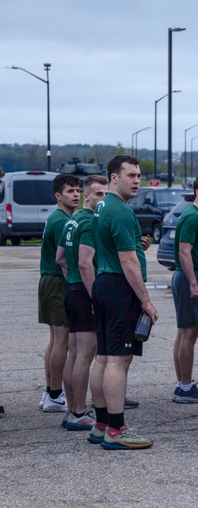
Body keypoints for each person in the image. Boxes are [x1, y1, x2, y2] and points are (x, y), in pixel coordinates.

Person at [91, 155, 157, 449]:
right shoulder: (119, 211)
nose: (136, 180)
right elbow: (128, 262)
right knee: (119, 359)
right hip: (119, 286)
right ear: (113, 178)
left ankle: (102, 423)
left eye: (138, 175)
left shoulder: (102, 205)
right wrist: (146, 301)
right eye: (130, 175)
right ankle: (117, 429)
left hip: (104, 282)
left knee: (103, 357)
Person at [55, 174, 106, 431]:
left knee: (74, 354)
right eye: (99, 194)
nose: (103, 199)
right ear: (87, 196)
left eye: (106, 194)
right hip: (84, 293)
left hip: (72, 289)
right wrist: (93, 295)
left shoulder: (72, 221)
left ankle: (72, 410)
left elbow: (61, 258)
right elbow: (86, 263)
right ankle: (78, 411)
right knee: (85, 355)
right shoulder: (88, 223)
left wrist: (72, 280)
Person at [38, 173, 80, 414]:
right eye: (70, 191)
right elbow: (65, 261)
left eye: (77, 190)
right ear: (58, 195)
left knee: (55, 339)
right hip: (56, 282)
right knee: (62, 340)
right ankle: (55, 394)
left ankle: (50, 390)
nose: (75, 195)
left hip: (47, 280)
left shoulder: (56, 217)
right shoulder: (63, 221)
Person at [170, 174, 198, 405]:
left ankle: (182, 384)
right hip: (189, 276)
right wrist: (194, 283)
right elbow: (183, 252)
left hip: (190, 276)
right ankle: (185, 387)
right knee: (189, 333)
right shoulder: (192, 217)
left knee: (185, 332)